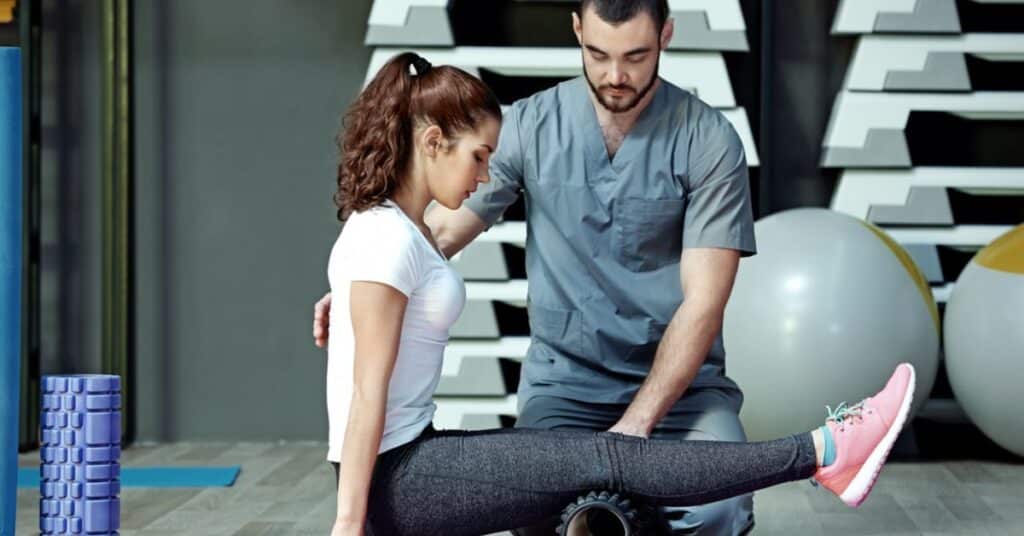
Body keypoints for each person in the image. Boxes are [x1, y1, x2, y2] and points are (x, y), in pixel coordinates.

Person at [318, 50, 916, 536]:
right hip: (397, 474)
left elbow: (396, 277)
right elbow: (365, 393)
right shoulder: (385, 239)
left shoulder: (399, 236)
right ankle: (829, 449)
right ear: (431, 144)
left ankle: (827, 451)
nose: (483, 176)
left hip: (414, 461)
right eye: (478, 157)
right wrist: (349, 522)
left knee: (608, 468)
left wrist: (349, 298)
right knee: (605, 459)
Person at [318, 1, 763, 533]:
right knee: (538, 509)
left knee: (720, 507)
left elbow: (704, 303)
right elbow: (434, 233)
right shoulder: (529, 126)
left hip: (683, 394)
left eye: (636, 56)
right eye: (598, 54)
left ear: (666, 35)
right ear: (577, 29)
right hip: (565, 389)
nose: (615, 75)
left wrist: (634, 430)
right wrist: (370, 287)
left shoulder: (709, 142)